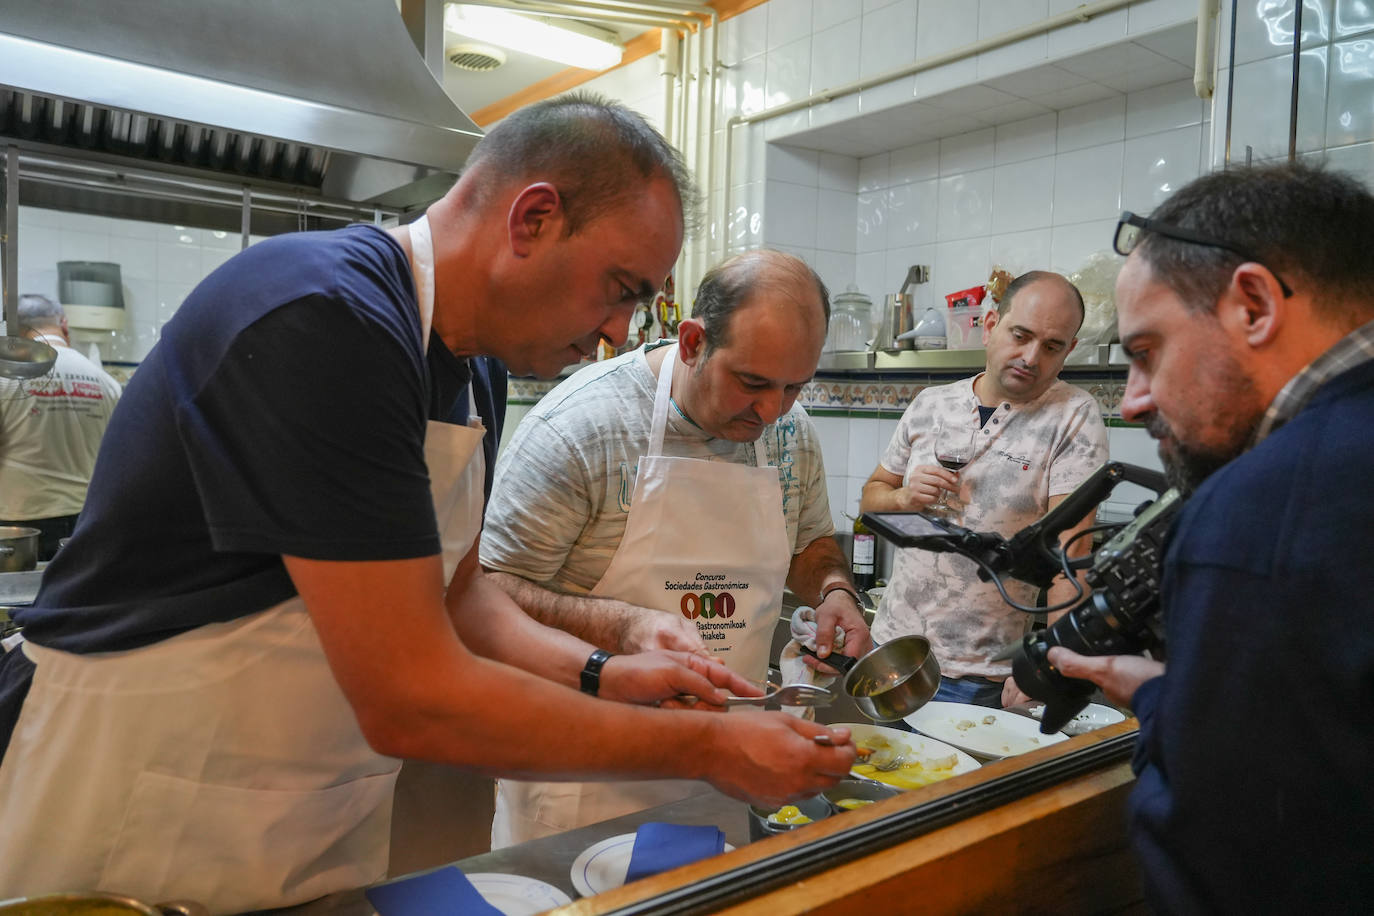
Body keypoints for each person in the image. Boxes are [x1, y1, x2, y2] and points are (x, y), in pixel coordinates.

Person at [0, 94, 857, 913]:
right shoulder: (326, 315)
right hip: (134, 795)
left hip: (291, 806)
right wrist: (709, 746)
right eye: (623, 288)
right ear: (533, 219)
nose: (619, 332)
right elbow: (410, 691)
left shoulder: (472, 363)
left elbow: (457, 590)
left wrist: (602, 671)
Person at [1047, 164, 1374, 911]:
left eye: (1145, 351)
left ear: (1254, 305)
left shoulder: (1261, 511)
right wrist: (1177, 700)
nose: (1132, 403)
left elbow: (1224, 873)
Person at [480, 249, 874, 845]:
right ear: (692, 342)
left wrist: (834, 591)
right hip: (584, 776)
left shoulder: (791, 435)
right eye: (752, 382)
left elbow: (811, 539)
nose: (772, 410)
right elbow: (487, 592)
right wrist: (622, 627)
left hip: (725, 768)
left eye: (795, 386)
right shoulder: (583, 427)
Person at [859, 271, 1109, 708]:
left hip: (983, 677)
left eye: (1051, 347)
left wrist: (1047, 658)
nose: (1031, 357)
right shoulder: (931, 404)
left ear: (1068, 351)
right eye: (1020, 335)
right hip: (892, 654)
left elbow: (1072, 556)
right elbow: (872, 500)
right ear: (991, 325)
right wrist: (902, 500)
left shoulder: (1073, 416)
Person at [0, 294, 121, 560]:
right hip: (86, 519)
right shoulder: (105, 381)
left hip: (19, 525)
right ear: (64, 325)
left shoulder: (6, 378)